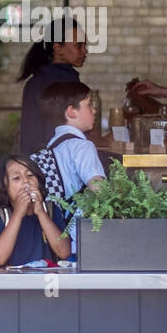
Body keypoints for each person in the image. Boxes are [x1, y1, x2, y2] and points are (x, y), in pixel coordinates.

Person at [38, 80, 105, 258]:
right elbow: (100, 189)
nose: (94, 110)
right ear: (71, 111)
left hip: (58, 235)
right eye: (89, 105)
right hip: (80, 240)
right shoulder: (83, 147)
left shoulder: (53, 145)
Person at [0, 155, 70, 267]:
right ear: (3, 186)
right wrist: (18, 214)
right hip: (12, 282)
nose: (26, 182)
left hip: (46, 281)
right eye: (16, 178)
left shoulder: (51, 210)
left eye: (30, 175)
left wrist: (41, 213)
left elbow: (64, 253)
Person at [16, 17, 88, 153]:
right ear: (58, 48)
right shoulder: (65, 81)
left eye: (85, 45)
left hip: (35, 163)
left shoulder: (35, 81)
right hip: (57, 163)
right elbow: (70, 131)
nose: (84, 51)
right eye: (78, 45)